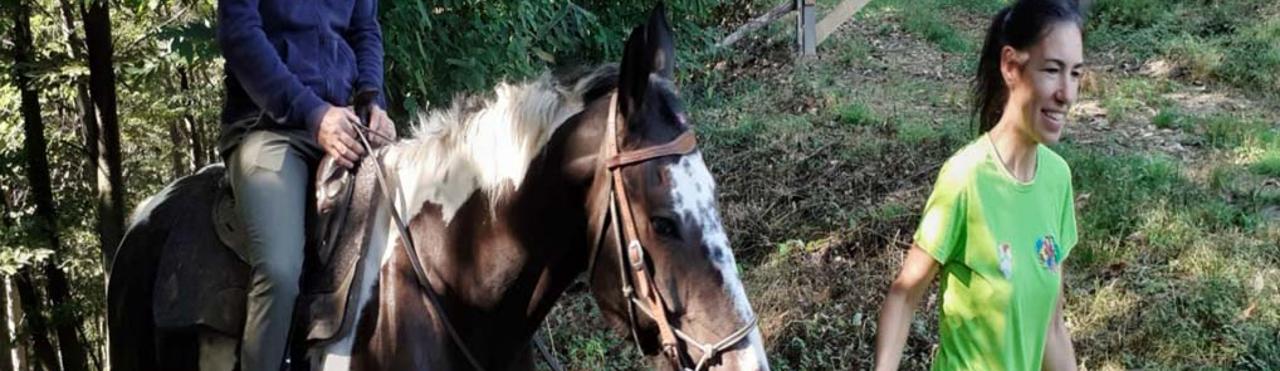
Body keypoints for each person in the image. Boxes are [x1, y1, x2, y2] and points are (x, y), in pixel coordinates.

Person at [873, 0, 1085, 370]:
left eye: (1076, 74)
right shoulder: (965, 177)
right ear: (1010, 66)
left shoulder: (1057, 180)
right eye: (1053, 70)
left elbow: (1052, 327)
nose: (1067, 93)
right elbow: (904, 296)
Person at [216, 0, 396, 369]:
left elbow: (365, 30)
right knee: (280, 273)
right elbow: (239, 34)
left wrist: (373, 99)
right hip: (269, 127)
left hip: (349, 127)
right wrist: (312, 113)